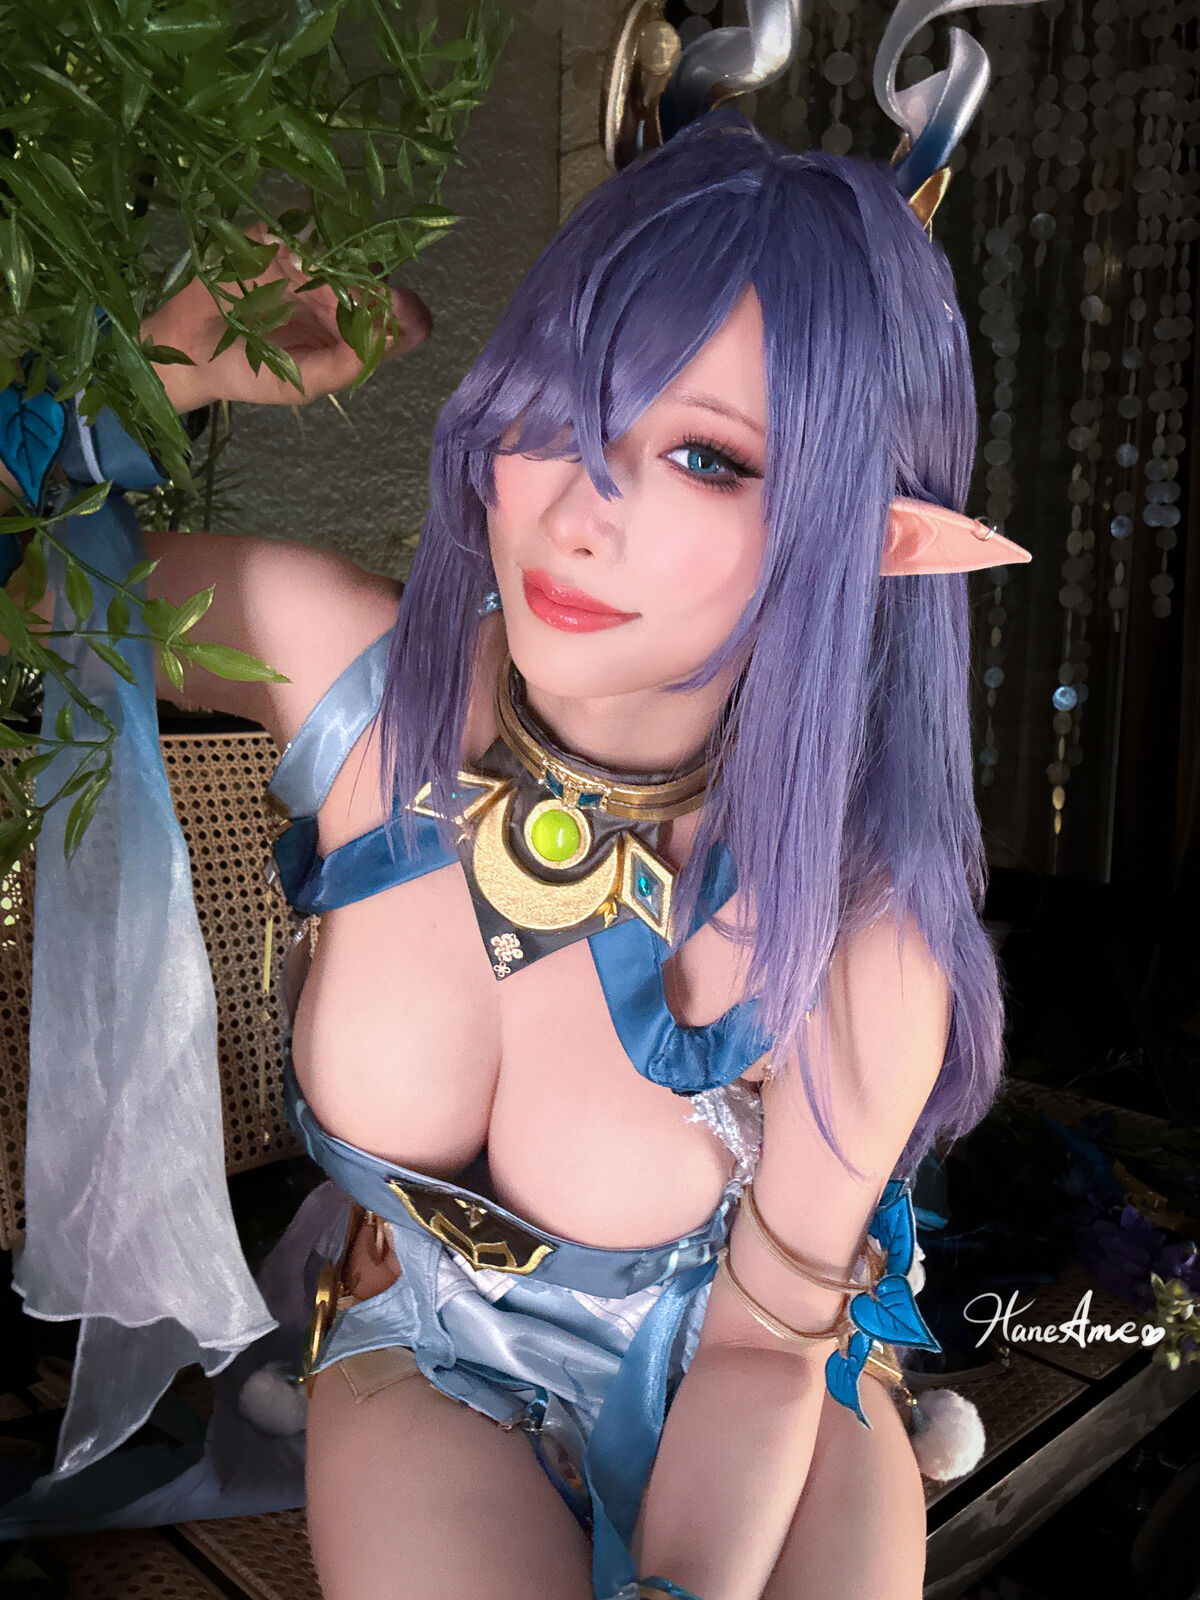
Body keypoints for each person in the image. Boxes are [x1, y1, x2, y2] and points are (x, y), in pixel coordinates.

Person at [0, 99, 1031, 1600]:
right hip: (423, 1361)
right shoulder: (350, 679)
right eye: (556, 407)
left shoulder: (860, 935)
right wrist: (160, 372)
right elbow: (24, 587)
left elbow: (763, 1345)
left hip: (768, 1388)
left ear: (876, 536)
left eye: (706, 457)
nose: (576, 510)